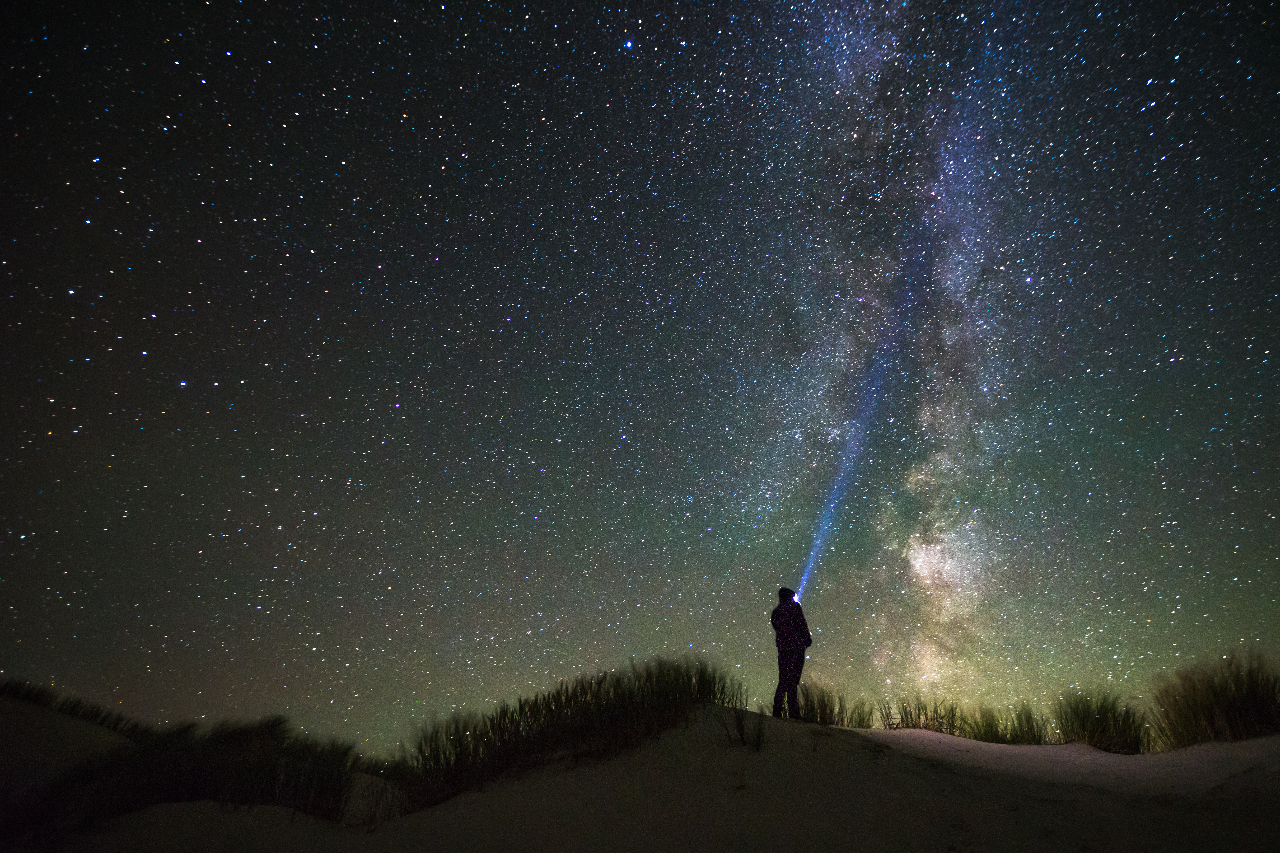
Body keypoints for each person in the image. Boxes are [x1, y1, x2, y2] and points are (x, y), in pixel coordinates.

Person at [771, 586, 811, 719]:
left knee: (783, 680)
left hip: (783, 650)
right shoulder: (794, 608)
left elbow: (777, 628)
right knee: (793, 680)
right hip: (796, 648)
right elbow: (801, 624)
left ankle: (777, 710)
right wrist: (806, 639)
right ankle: (794, 713)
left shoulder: (776, 612)